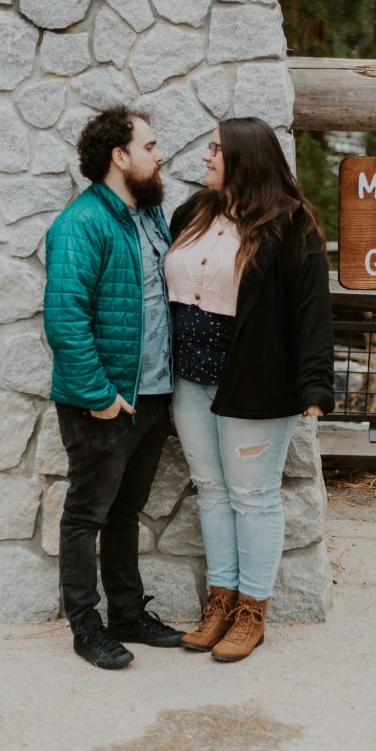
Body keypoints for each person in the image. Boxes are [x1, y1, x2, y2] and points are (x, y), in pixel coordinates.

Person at [165, 117, 334, 662]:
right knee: (210, 491)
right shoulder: (192, 214)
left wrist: (314, 382)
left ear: (244, 158)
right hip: (190, 379)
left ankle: (252, 612)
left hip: (256, 383)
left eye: (215, 148)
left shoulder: (292, 225)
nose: (206, 157)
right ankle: (221, 600)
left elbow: (312, 309)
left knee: (254, 497)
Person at [44, 106, 185, 670]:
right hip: (104, 402)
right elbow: (65, 318)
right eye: (149, 147)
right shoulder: (81, 223)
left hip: (152, 396)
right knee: (87, 514)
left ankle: (128, 613)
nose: (159, 155)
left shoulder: (151, 218)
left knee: (126, 510)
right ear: (118, 157)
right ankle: (86, 626)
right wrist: (100, 396)